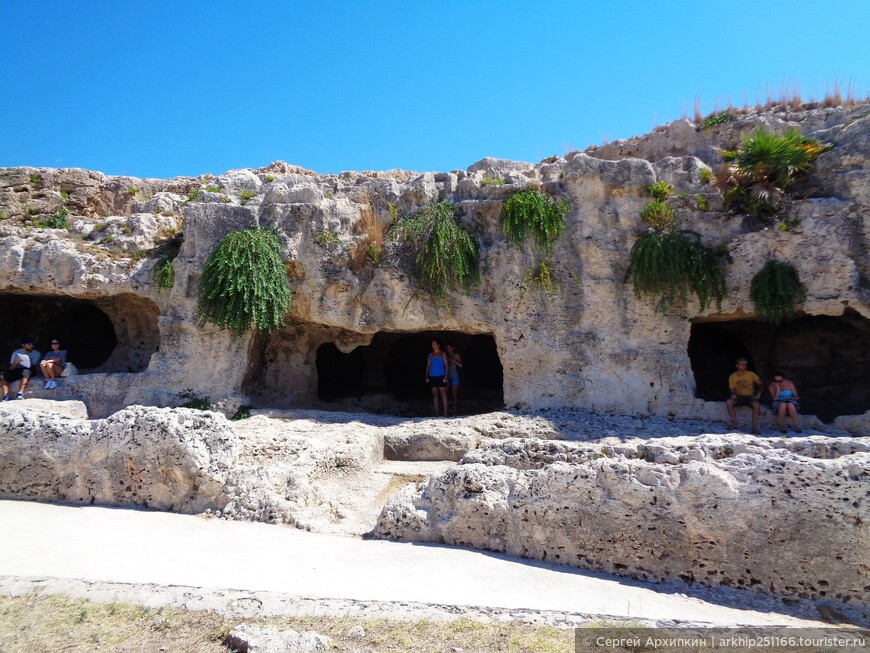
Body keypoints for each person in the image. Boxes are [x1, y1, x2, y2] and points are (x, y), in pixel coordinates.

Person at [726, 357, 762, 434]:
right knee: (729, 402)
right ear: (737, 366)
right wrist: (733, 394)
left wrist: (758, 394)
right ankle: (734, 423)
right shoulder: (732, 377)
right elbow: (731, 390)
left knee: (756, 405)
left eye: (745, 365)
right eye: (742, 365)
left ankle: (754, 428)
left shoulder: (751, 374)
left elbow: (761, 384)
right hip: (739, 397)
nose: (744, 366)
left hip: (750, 397)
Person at [425, 340, 448, 416]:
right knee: (435, 394)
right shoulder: (430, 355)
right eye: (432, 344)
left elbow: (447, 365)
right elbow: (428, 365)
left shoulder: (442, 354)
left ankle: (445, 413)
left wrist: (446, 376)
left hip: (441, 375)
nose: (432, 345)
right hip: (432, 376)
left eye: (434, 344)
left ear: (438, 345)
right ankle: (436, 413)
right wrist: (426, 376)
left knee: (443, 393)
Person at [445, 343, 463, 417]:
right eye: (447, 348)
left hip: (454, 376)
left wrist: (453, 360)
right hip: (447, 376)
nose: (448, 349)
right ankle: (446, 411)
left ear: (453, 348)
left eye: (449, 348)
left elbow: (461, 365)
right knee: (445, 393)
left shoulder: (456, 355)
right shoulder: (446, 355)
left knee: (454, 394)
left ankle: (454, 412)